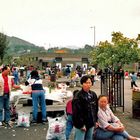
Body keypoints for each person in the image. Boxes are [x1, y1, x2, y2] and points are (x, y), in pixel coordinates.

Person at [72, 75, 98, 140]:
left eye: (89, 83)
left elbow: (95, 109)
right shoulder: (78, 96)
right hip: (81, 124)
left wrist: (95, 121)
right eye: (86, 83)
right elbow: (76, 112)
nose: (88, 84)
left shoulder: (93, 94)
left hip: (91, 122)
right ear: (82, 84)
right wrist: (81, 124)